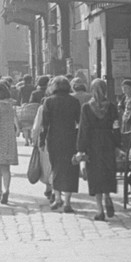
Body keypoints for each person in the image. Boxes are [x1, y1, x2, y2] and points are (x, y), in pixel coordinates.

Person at [76, 79, 121, 221]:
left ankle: (100, 210)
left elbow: (83, 130)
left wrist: (81, 149)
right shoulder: (112, 107)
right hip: (108, 143)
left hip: (92, 145)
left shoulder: (86, 108)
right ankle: (108, 196)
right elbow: (116, 127)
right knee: (107, 172)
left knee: (95, 176)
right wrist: (117, 145)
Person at [41, 76, 81, 213]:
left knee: (56, 167)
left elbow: (44, 124)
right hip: (70, 138)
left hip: (54, 138)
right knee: (70, 169)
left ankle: (58, 198)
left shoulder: (49, 102)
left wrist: (41, 141)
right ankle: (68, 202)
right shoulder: (74, 101)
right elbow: (79, 122)